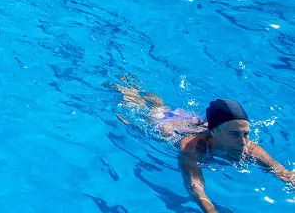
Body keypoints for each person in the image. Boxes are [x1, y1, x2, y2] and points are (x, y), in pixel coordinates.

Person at [118, 81, 295, 213]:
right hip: (171, 125)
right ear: (214, 132)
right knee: (150, 111)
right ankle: (126, 88)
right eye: (235, 134)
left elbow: (281, 172)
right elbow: (194, 185)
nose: (243, 141)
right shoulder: (192, 149)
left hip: (195, 121)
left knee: (162, 106)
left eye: (246, 134)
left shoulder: (249, 148)